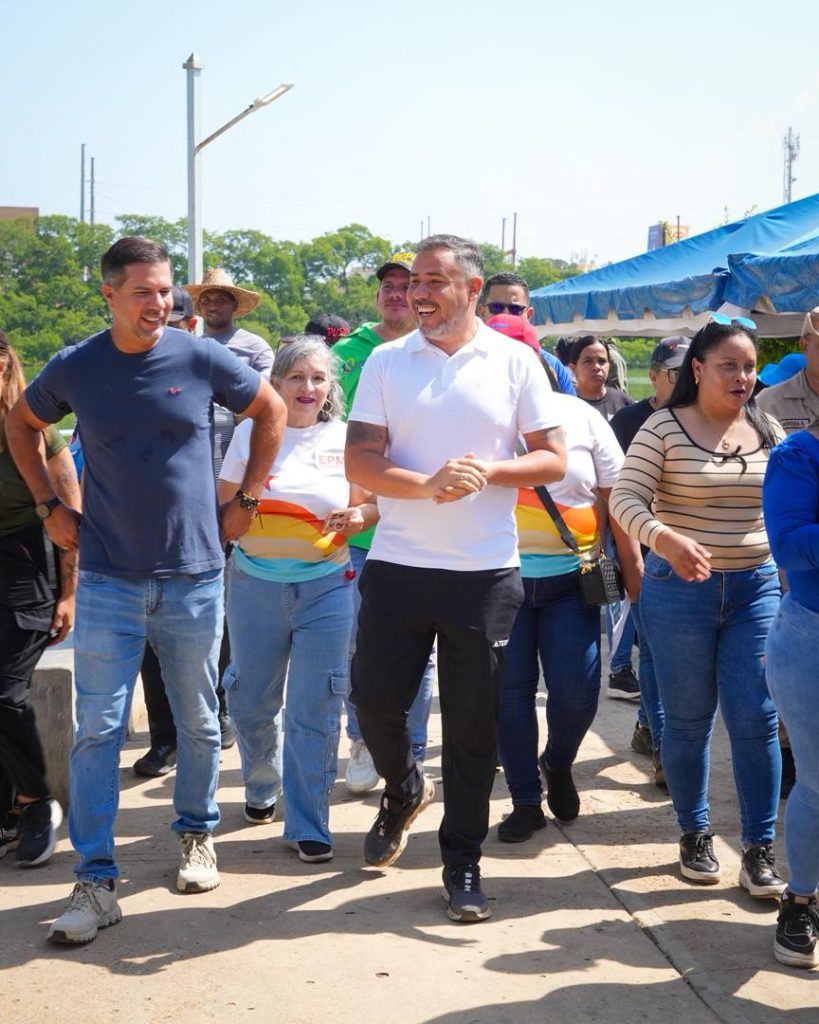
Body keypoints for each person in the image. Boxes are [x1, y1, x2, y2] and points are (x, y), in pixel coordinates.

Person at [7, 237, 286, 945]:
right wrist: (49, 506)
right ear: (109, 295)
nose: (159, 303)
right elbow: (22, 422)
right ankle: (95, 881)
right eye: (143, 292)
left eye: (165, 290)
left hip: (194, 576)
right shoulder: (77, 365)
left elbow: (272, 409)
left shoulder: (200, 357)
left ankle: (196, 834)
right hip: (107, 578)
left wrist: (247, 499)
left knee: (198, 721)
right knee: (97, 731)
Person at [345, 234, 566, 922]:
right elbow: (359, 460)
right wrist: (424, 484)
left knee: (473, 729)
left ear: (471, 290)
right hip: (397, 565)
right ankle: (404, 787)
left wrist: (488, 471)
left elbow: (553, 459)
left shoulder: (515, 361)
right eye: (415, 280)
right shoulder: (386, 360)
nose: (418, 292)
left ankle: (461, 859)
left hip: (484, 575)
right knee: (373, 700)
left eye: (434, 281)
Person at [610, 316, 786, 897]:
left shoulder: (767, 427)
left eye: (749, 367)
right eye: (728, 365)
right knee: (687, 721)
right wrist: (664, 540)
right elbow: (625, 500)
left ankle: (759, 849)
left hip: (756, 591)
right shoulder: (663, 427)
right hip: (679, 593)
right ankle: (695, 834)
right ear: (698, 368)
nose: (742, 377)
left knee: (756, 718)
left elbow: (789, 502)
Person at [218, 336, 377, 863]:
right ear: (276, 382)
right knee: (251, 700)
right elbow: (224, 507)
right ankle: (262, 778)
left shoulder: (348, 439)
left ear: (331, 386)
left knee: (316, 706)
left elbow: (371, 506)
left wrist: (358, 517)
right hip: (253, 585)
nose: (307, 388)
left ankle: (309, 821)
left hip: (328, 586)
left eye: (318, 378)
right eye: (296, 377)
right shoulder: (252, 432)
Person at [496, 386, 641, 841]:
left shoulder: (582, 417)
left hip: (572, 582)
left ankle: (557, 763)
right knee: (510, 695)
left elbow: (618, 498)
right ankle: (524, 800)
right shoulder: (474, 416)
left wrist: (634, 572)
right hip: (501, 582)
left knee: (578, 690)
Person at [332, 252, 434, 794]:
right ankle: (363, 740)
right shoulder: (347, 354)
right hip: (358, 528)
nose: (397, 294)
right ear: (378, 296)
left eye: (406, 285)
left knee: (419, 653)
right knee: (359, 644)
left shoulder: (437, 351)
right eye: (388, 287)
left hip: (417, 524)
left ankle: (411, 751)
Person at [0, 332, 81, 865]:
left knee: (4, 693)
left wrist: (69, 594)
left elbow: (71, 517)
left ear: (6, 366)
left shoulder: (36, 432)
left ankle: (33, 803)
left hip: (25, 567)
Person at [609, 336, 690, 782]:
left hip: (699, 559)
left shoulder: (708, 416)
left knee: (672, 658)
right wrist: (629, 562)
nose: (685, 379)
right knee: (656, 654)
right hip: (646, 557)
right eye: (675, 372)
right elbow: (615, 495)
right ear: (654, 376)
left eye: (691, 369)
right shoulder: (628, 421)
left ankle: (647, 728)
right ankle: (662, 746)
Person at [134, 284, 206, 778]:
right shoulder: (125, 370)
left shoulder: (211, 370)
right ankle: (165, 739)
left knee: (209, 645)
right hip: (139, 536)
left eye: (174, 323)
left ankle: (213, 721)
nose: (162, 331)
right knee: (149, 647)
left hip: (207, 528)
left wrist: (240, 504)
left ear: (190, 325)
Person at [762, 419, 819, 968]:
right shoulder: (799, 454)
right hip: (811, 640)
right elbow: (789, 546)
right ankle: (800, 899)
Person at [477, 271, 575, 394]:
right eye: (496, 307)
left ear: (529, 315)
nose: (505, 314)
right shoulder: (463, 357)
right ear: (482, 312)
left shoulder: (551, 365)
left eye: (515, 309)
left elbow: (569, 405)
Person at [569, 336, 633, 420]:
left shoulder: (623, 403)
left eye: (602, 361)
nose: (596, 367)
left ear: (609, 366)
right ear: (573, 368)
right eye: (588, 361)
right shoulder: (564, 405)